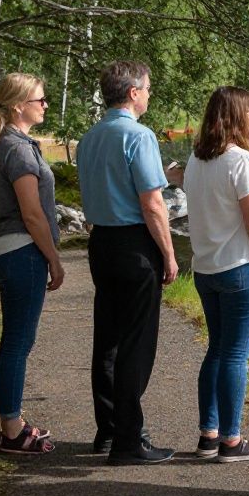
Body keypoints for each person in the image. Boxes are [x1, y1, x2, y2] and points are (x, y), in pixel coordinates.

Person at [76, 60, 179, 465]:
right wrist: (169, 254)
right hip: (134, 244)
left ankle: (109, 429)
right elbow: (153, 203)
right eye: (147, 88)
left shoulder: (90, 138)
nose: (150, 94)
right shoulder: (138, 136)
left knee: (108, 338)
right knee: (137, 342)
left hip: (101, 241)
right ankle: (129, 440)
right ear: (133, 92)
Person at [183, 86, 249, 463]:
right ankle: (231, 440)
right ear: (238, 115)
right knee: (236, 356)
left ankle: (209, 435)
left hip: (206, 270)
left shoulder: (196, 160)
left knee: (217, 349)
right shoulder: (242, 161)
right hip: (242, 269)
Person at [0, 73, 65, 455]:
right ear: (19, 106)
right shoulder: (17, 148)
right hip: (21, 251)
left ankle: (12, 421)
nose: (45, 105)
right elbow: (32, 214)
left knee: (17, 340)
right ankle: (12, 430)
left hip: (10, 251)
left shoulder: (12, 144)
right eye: (40, 99)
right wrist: (54, 259)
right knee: (17, 342)